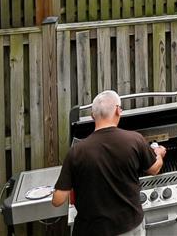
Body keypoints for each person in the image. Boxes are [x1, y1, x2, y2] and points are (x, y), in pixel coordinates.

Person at [53, 90, 165, 235]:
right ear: (118, 110)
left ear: (92, 116)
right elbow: (154, 169)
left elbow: (58, 200)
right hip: (130, 228)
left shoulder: (76, 152)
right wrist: (160, 154)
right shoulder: (134, 140)